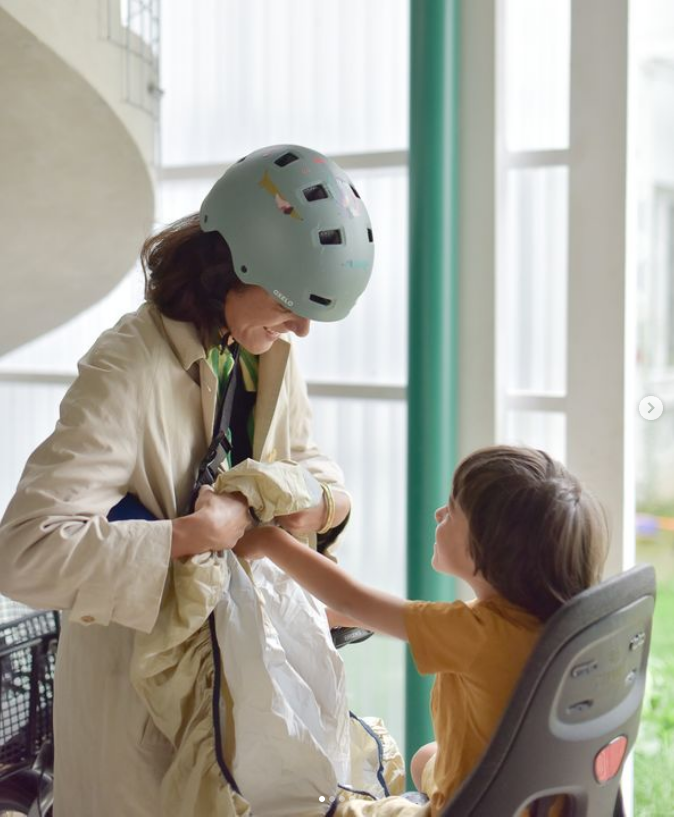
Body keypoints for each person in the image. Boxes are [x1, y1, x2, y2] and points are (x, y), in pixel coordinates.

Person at [0, 144, 375, 817]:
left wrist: (321, 503)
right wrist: (190, 534)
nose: (304, 329)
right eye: (291, 303)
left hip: (237, 707)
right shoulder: (127, 366)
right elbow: (25, 549)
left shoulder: (266, 349)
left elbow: (310, 460)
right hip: (136, 726)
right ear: (233, 266)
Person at [232, 445, 609, 816]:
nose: (438, 513)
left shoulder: (477, 635)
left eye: (453, 511)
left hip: (473, 808)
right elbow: (383, 616)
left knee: (307, 807)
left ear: (489, 550)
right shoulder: (551, 624)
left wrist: (269, 540)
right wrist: (355, 618)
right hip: (538, 801)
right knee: (426, 758)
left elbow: (350, 598)